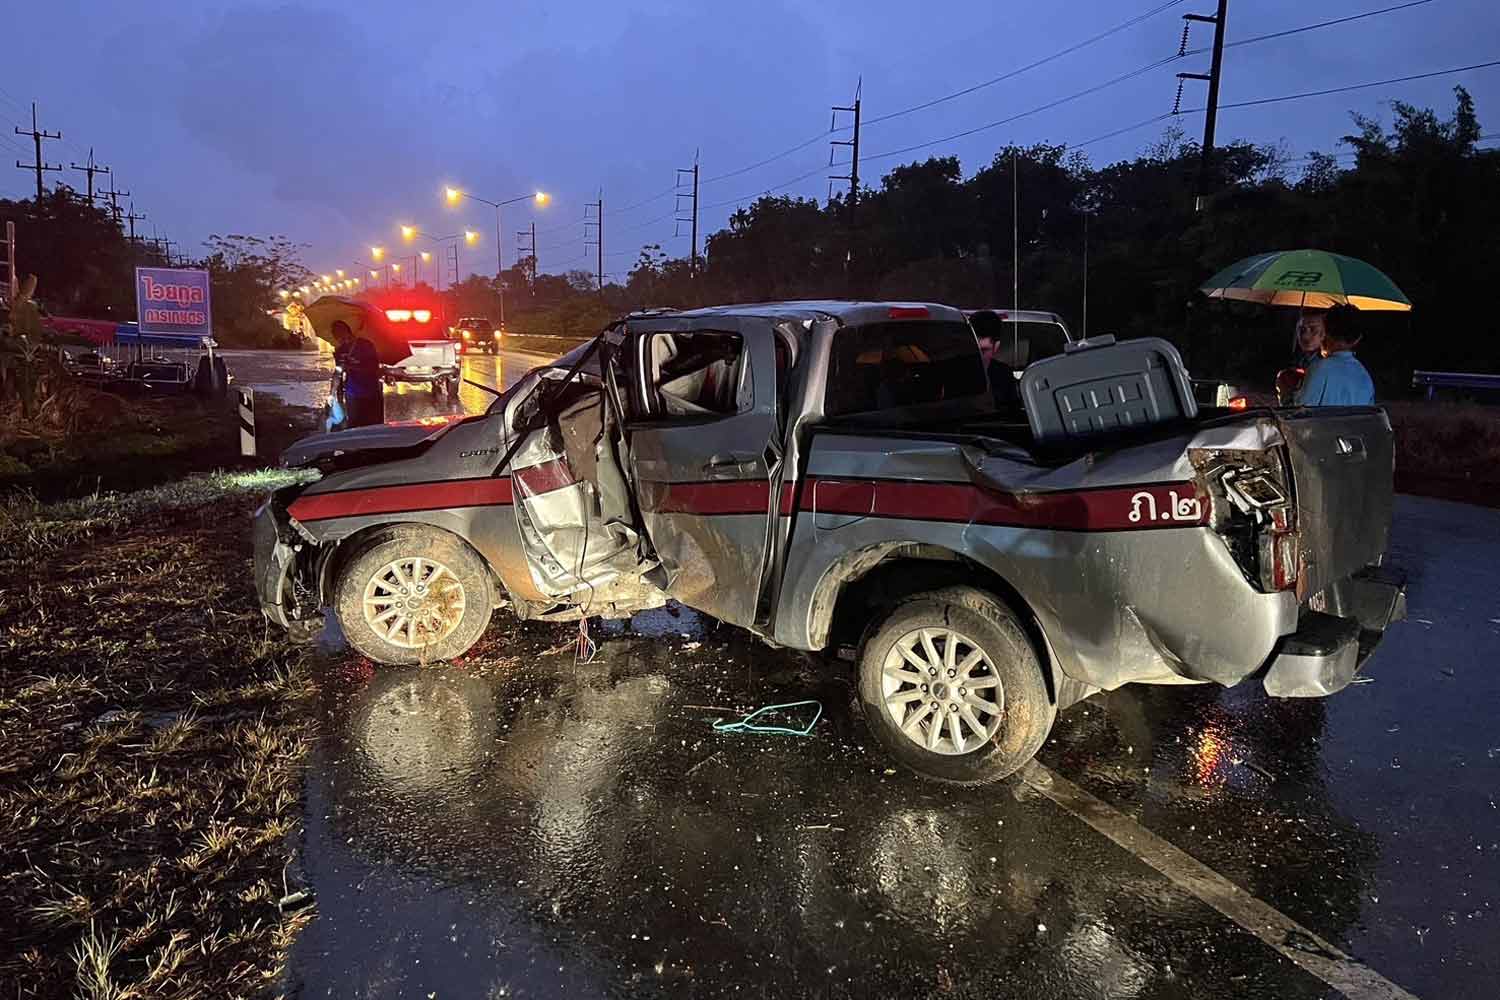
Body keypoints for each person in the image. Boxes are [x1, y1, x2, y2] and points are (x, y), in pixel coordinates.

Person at [1295, 304, 1375, 407]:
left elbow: (1298, 412)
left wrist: (1285, 393)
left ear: (1325, 332)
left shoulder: (1319, 368)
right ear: (1357, 339)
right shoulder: (1365, 376)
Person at [330, 319, 384, 427]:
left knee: (374, 426)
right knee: (355, 427)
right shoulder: (340, 351)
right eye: (336, 335)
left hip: (371, 392)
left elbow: (373, 367)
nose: (339, 338)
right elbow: (338, 373)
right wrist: (335, 396)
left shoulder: (365, 345)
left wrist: (351, 366)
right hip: (352, 394)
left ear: (348, 331)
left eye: (340, 333)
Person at [969, 310, 1020, 411]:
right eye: (973, 349)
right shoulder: (954, 371)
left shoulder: (1004, 375)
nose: (977, 356)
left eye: (983, 351)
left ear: (996, 346)